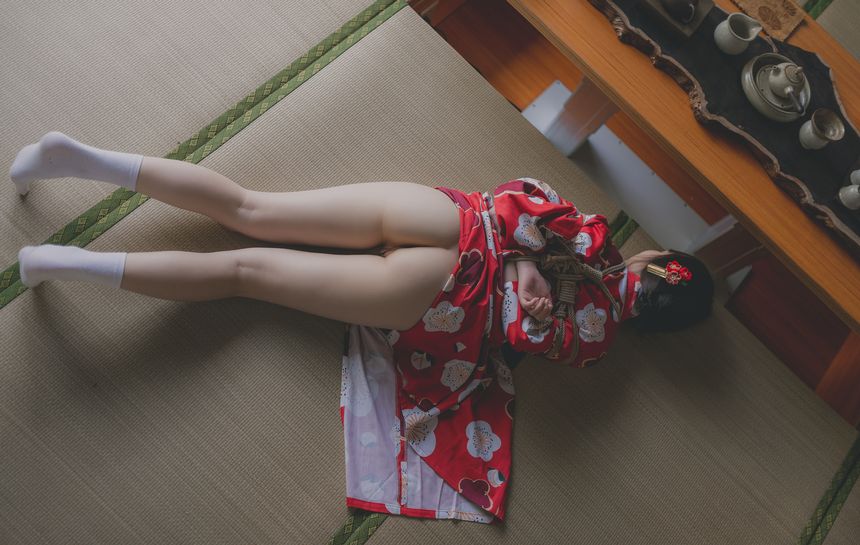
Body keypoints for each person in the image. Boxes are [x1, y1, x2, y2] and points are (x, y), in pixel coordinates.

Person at [9, 131, 713, 523]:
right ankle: (65, 265)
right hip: (441, 300)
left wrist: (523, 263)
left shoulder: (594, 235)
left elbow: (517, 195)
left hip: (452, 220)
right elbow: (525, 335)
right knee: (245, 272)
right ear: (655, 324)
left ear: (654, 261)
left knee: (252, 208)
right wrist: (524, 296)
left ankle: (79, 156)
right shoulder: (595, 340)